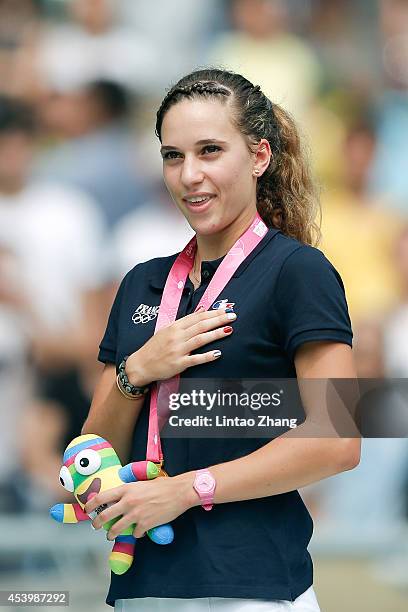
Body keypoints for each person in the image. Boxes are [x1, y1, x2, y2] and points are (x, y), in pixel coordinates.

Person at [82, 68, 361, 611]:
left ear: (259, 157)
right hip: (144, 589)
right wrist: (137, 370)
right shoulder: (143, 281)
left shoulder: (297, 271)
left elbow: (338, 440)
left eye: (210, 151)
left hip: (251, 590)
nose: (189, 175)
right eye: (173, 155)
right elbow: (94, 453)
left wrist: (185, 490)